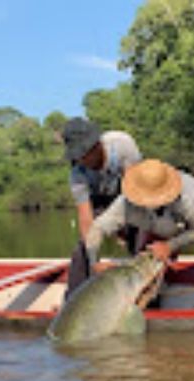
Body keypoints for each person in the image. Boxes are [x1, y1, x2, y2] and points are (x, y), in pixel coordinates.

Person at [85, 159, 194, 295]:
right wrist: (94, 263)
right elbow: (97, 228)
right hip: (160, 226)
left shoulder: (188, 198)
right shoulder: (125, 205)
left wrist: (169, 246)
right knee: (145, 266)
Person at [62, 117, 142, 297]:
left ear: (96, 144)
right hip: (99, 201)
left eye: (84, 153)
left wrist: (121, 228)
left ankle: (147, 293)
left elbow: (135, 192)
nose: (81, 160)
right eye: (77, 155)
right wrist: (93, 261)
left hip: (129, 192)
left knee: (140, 233)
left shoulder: (123, 145)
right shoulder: (77, 174)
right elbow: (86, 218)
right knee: (83, 250)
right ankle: (72, 301)